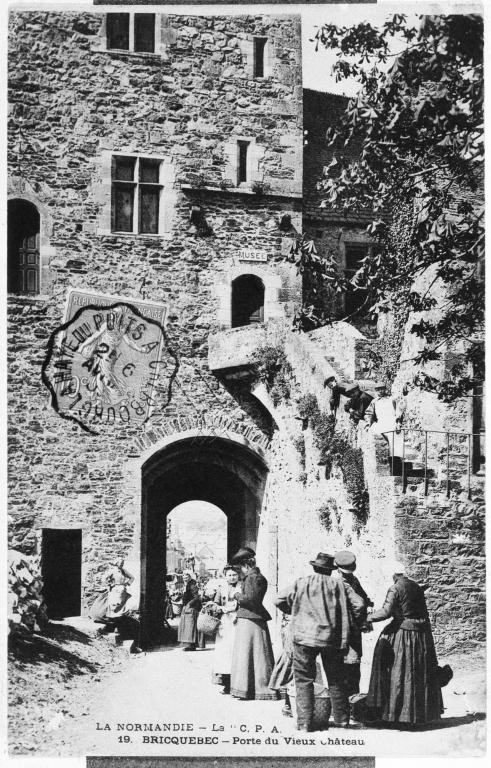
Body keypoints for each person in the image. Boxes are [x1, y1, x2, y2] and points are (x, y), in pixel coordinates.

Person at [275, 552, 367, 731]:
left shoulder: (301, 583)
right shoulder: (339, 584)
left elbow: (278, 599)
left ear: (314, 567)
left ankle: (304, 723)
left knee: (304, 680)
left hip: (303, 637)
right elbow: (360, 604)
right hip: (331, 639)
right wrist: (350, 620)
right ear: (331, 570)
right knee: (336, 679)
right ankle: (342, 721)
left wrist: (295, 610)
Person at [365, 561, 443, 727]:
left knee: (399, 673)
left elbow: (386, 612)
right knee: (417, 674)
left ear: (393, 574)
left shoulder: (395, 588)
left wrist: (368, 618)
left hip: (404, 635)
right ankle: (419, 715)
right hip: (421, 636)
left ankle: (398, 715)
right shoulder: (415, 586)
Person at [229, 547, 277, 701]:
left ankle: (249, 690)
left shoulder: (253, 578)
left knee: (248, 655)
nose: (240, 571)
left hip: (251, 621)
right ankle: (252, 689)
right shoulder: (254, 577)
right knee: (256, 655)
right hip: (253, 620)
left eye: (240, 568)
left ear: (246, 565)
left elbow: (251, 601)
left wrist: (235, 594)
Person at [334, 550, 374, 696]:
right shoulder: (352, 580)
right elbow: (364, 601)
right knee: (352, 667)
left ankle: (346, 702)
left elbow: (361, 602)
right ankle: (352, 700)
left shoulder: (339, 581)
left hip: (342, 630)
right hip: (353, 630)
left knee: (344, 667)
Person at [211, 565, 242, 695]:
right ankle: (227, 683)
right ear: (225, 576)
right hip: (225, 623)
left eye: (234, 574)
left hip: (238, 621)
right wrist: (219, 609)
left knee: (237, 651)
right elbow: (214, 604)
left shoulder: (242, 587)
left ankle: (239, 684)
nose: (232, 577)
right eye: (229, 575)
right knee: (225, 653)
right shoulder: (221, 589)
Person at [89, 558, 134, 625]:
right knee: (113, 604)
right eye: (120, 563)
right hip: (114, 590)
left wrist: (127, 583)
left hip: (123, 590)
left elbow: (132, 577)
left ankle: (117, 620)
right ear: (116, 563)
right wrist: (109, 585)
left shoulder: (124, 571)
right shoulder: (113, 571)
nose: (122, 564)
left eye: (123, 563)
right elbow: (104, 578)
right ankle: (110, 620)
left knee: (121, 605)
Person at [178, 570, 202, 651]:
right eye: (183, 576)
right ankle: (190, 645)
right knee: (188, 627)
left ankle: (192, 645)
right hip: (187, 608)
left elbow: (196, 597)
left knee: (190, 626)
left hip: (191, 608)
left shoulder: (192, 585)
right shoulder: (187, 585)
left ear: (190, 576)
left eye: (187, 576)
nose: (184, 577)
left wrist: (189, 604)